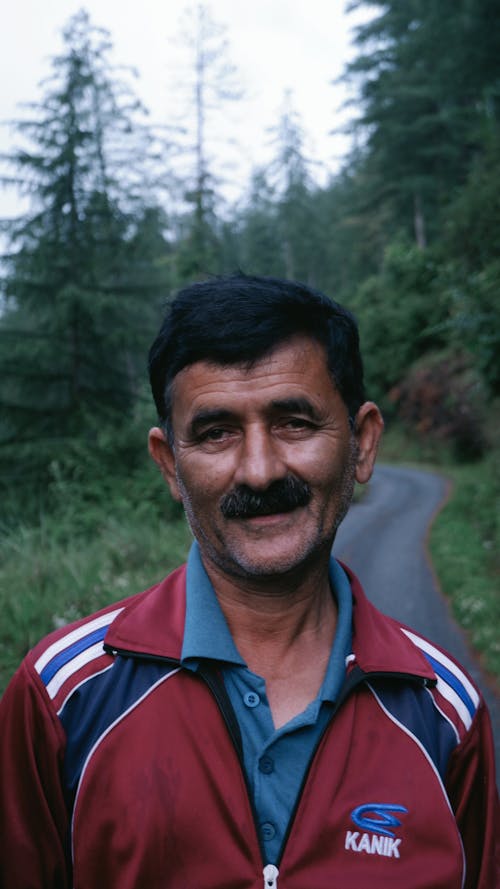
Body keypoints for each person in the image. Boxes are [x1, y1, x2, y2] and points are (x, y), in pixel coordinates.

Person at [0, 274, 498, 889]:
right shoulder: (61, 699)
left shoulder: (442, 713)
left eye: (295, 422)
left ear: (362, 444)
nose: (259, 471)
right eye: (216, 433)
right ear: (170, 466)